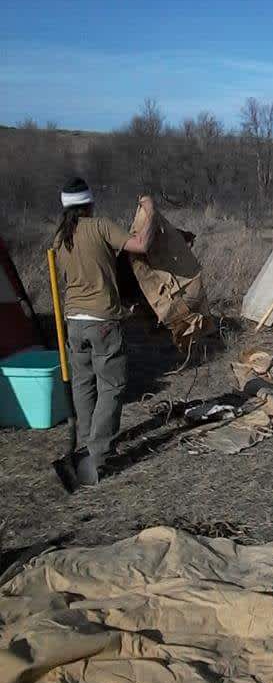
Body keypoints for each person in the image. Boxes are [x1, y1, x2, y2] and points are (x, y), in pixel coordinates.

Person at [53, 178, 156, 490]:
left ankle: (86, 445)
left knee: (84, 383)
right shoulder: (100, 226)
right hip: (102, 321)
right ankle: (98, 454)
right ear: (89, 203)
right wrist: (150, 209)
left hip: (73, 321)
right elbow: (141, 245)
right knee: (112, 385)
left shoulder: (60, 236)